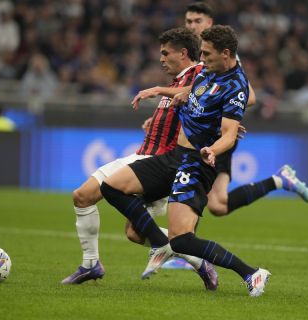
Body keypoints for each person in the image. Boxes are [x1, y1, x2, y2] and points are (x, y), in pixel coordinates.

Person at [101, 25, 270, 297]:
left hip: (196, 163)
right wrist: (162, 91)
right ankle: (159, 243)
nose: (201, 58)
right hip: (174, 157)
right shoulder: (209, 70)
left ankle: (252, 273)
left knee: (181, 240)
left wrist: (213, 150)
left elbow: (229, 134)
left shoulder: (236, 86)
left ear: (226, 54)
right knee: (111, 187)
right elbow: (197, 88)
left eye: (207, 53)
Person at [61, 28, 218, 291]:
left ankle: (188, 256)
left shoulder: (199, 72)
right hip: (142, 155)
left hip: (159, 162)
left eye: (165, 53)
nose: (161, 58)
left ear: (183, 53)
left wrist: (158, 89)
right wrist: (155, 120)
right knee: (110, 216)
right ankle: (92, 264)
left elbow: (219, 88)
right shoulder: (178, 81)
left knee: (99, 206)